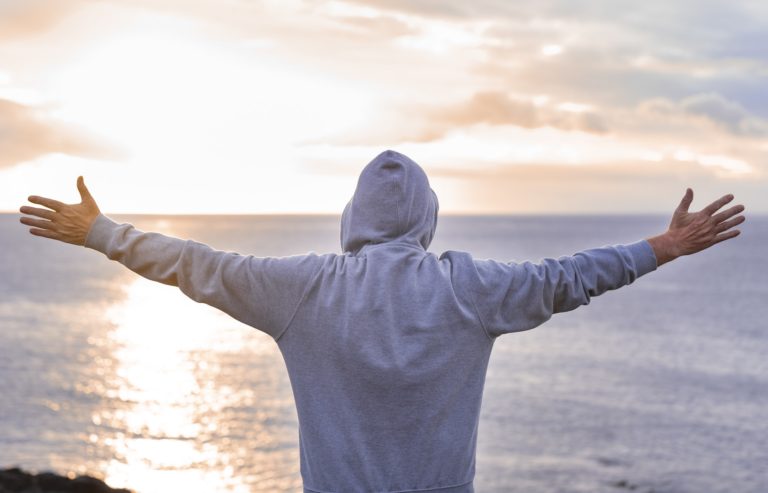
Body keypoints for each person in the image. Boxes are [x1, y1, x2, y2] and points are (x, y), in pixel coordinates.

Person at [19, 150, 745, 493]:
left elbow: (197, 264)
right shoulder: (470, 289)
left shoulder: (301, 289)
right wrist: (664, 246)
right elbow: (570, 277)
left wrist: (102, 232)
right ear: (427, 221)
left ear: (351, 219)